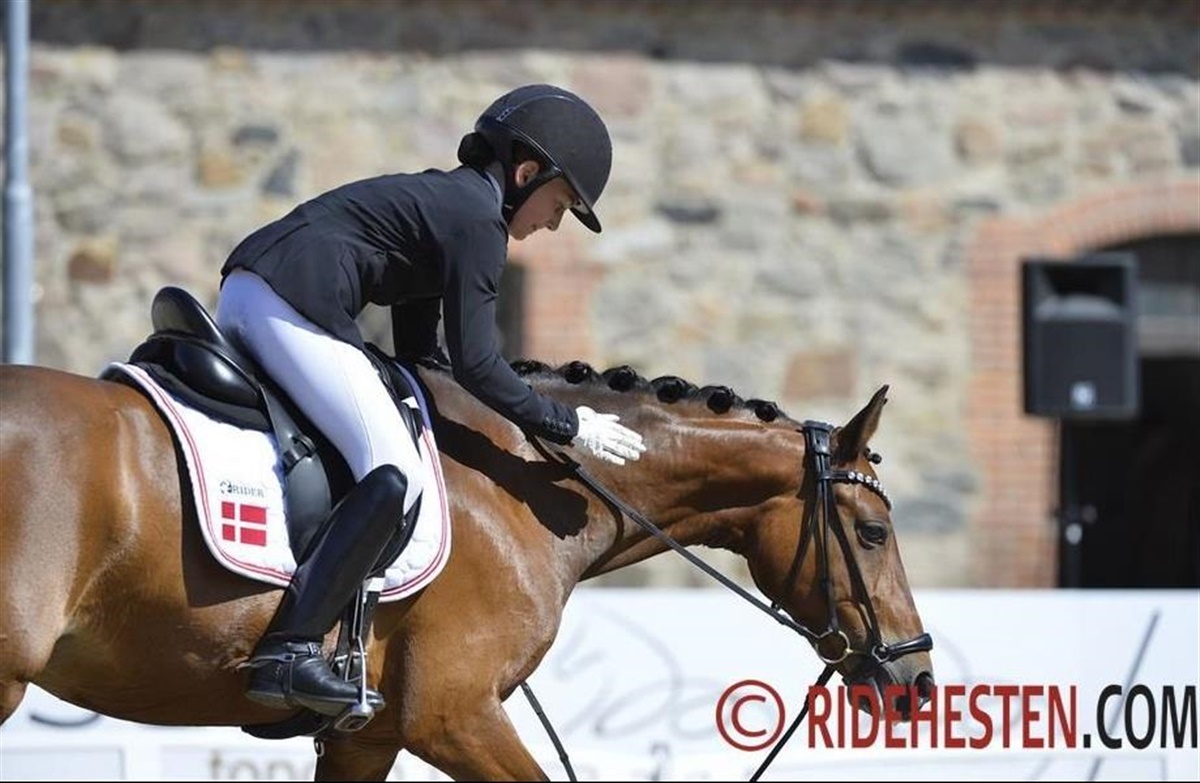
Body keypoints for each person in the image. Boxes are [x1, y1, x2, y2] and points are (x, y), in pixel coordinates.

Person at [214, 84, 647, 718]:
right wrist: (566, 423)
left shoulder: (452, 204)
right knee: (396, 469)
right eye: (559, 204)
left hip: (260, 289)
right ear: (526, 173)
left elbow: (425, 351)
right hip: (290, 299)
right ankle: (290, 649)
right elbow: (478, 363)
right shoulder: (477, 222)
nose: (553, 224)